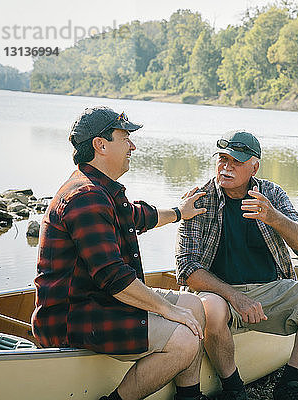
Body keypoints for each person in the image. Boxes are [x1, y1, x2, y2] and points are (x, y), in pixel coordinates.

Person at [32, 106, 209, 400]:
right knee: (185, 338)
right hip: (70, 318)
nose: (133, 145)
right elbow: (113, 277)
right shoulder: (85, 197)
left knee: (193, 304)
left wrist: (180, 212)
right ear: (100, 145)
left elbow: (137, 216)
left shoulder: (100, 190)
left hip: (99, 303)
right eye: (125, 137)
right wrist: (166, 310)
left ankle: (188, 395)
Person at [175, 131, 298, 400]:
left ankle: (289, 384)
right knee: (211, 309)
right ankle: (233, 388)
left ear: (254, 167)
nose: (226, 168)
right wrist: (235, 297)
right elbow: (186, 268)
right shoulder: (199, 200)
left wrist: (273, 217)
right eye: (222, 160)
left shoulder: (272, 194)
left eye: (235, 162)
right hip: (219, 295)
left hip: (271, 290)